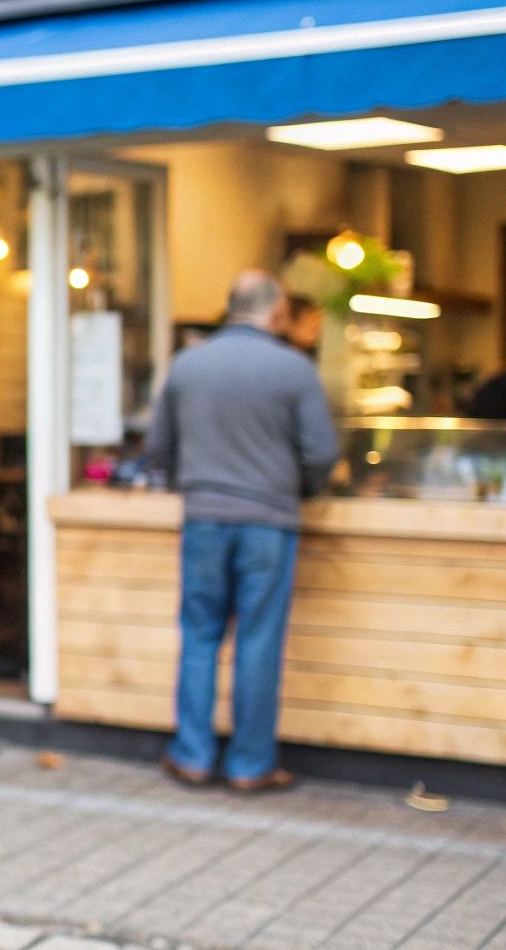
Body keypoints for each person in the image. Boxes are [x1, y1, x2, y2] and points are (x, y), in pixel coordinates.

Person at [146, 270, 338, 792]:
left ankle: (191, 754)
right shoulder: (294, 368)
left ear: (229, 308)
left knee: (200, 634)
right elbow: (322, 453)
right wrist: (306, 488)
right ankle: (251, 765)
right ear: (276, 313)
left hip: (203, 518)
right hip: (268, 523)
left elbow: (157, 448)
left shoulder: (187, 364)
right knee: (258, 639)